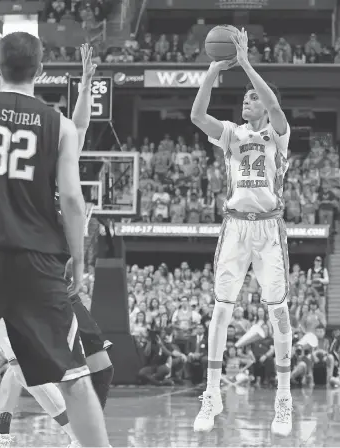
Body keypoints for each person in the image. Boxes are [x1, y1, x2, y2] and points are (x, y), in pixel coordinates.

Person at [0, 33, 109, 447]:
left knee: (24, 367)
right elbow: (72, 199)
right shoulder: (59, 126)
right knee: (74, 379)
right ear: (41, 71)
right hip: (39, 261)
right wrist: (78, 257)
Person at [191, 28, 293, 436]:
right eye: (245, 97)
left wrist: (246, 62)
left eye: (252, 98)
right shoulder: (232, 133)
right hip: (235, 228)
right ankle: (211, 394)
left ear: (266, 109)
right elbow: (198, 116)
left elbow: (270, 101)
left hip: (269, 230)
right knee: (221, 309)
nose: (247, 100)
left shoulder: (277, 134)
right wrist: (213, 70)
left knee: (279, 312)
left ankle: (283, 399)